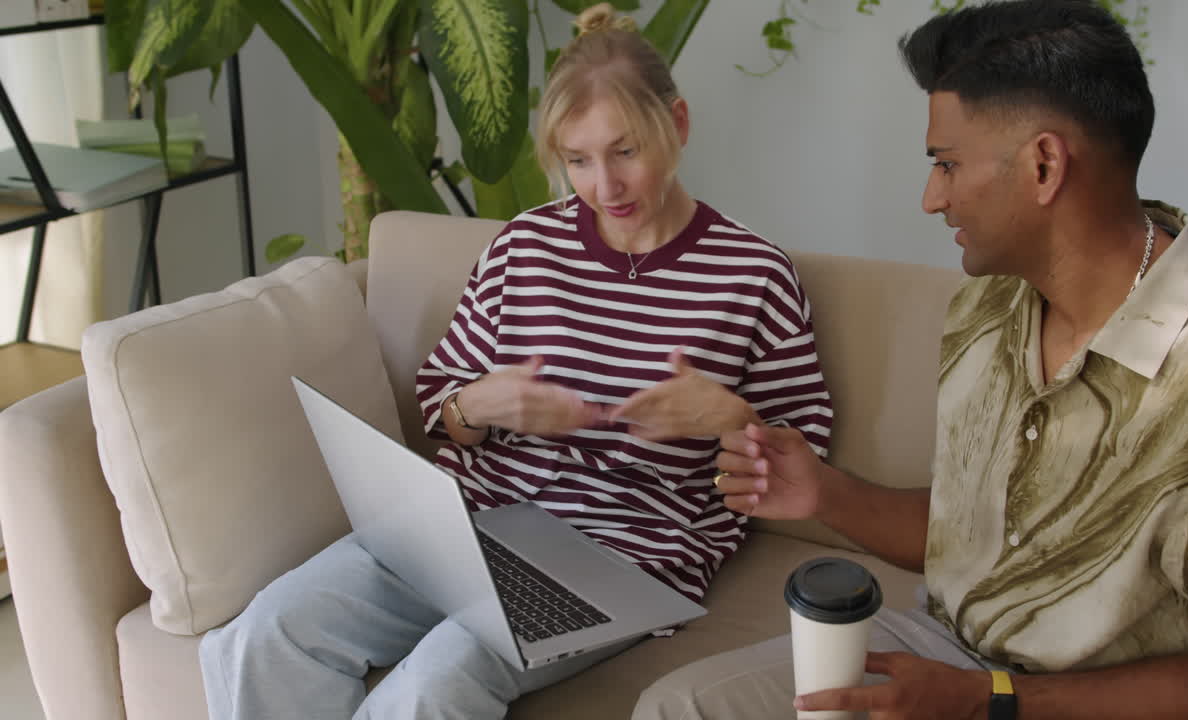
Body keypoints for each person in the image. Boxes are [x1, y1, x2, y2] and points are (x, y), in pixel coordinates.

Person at [632, 1, 1188, 718]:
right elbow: (973, 536)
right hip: (947, 652)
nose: (930, 198)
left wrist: (993, 700)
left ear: (1043, 164)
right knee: (678, 708)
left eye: (946, 164)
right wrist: (822, 490)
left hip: (1081, 705)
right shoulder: (990, 307)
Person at [197, 4, 833, 719]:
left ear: (677, 125)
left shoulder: (754, 275)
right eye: (579, 160)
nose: (605, 186)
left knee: (439, 678)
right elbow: (446, 408)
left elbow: (804, 466)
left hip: (624, 555)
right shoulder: (523, 246)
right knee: (265, 631)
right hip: (466, 528)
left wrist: (729, 417)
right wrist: (480, 405)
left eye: (626, 151)